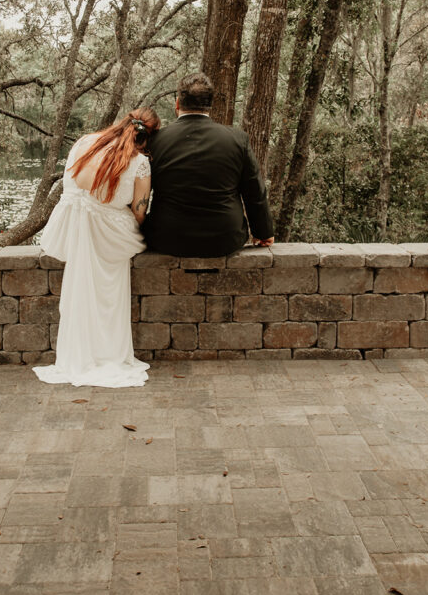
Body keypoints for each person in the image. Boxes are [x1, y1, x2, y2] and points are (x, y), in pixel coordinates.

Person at [32, 107, 160, 389]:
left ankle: (80, 355)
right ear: (149, 136)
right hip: (112, 235)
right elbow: (139, 212)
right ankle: (110, 353)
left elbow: (70, 190)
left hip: (77, 226)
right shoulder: (140, 162)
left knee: (83, 290)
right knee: (111, 295)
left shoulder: (85, 143)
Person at [143, 72, 274, 257]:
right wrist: (264, 232)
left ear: (178, 103)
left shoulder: (155, 141)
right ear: (210, 105)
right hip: (225, 239)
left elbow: (141, 193)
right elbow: (254, 192)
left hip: (167, 239)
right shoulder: (237, 140)